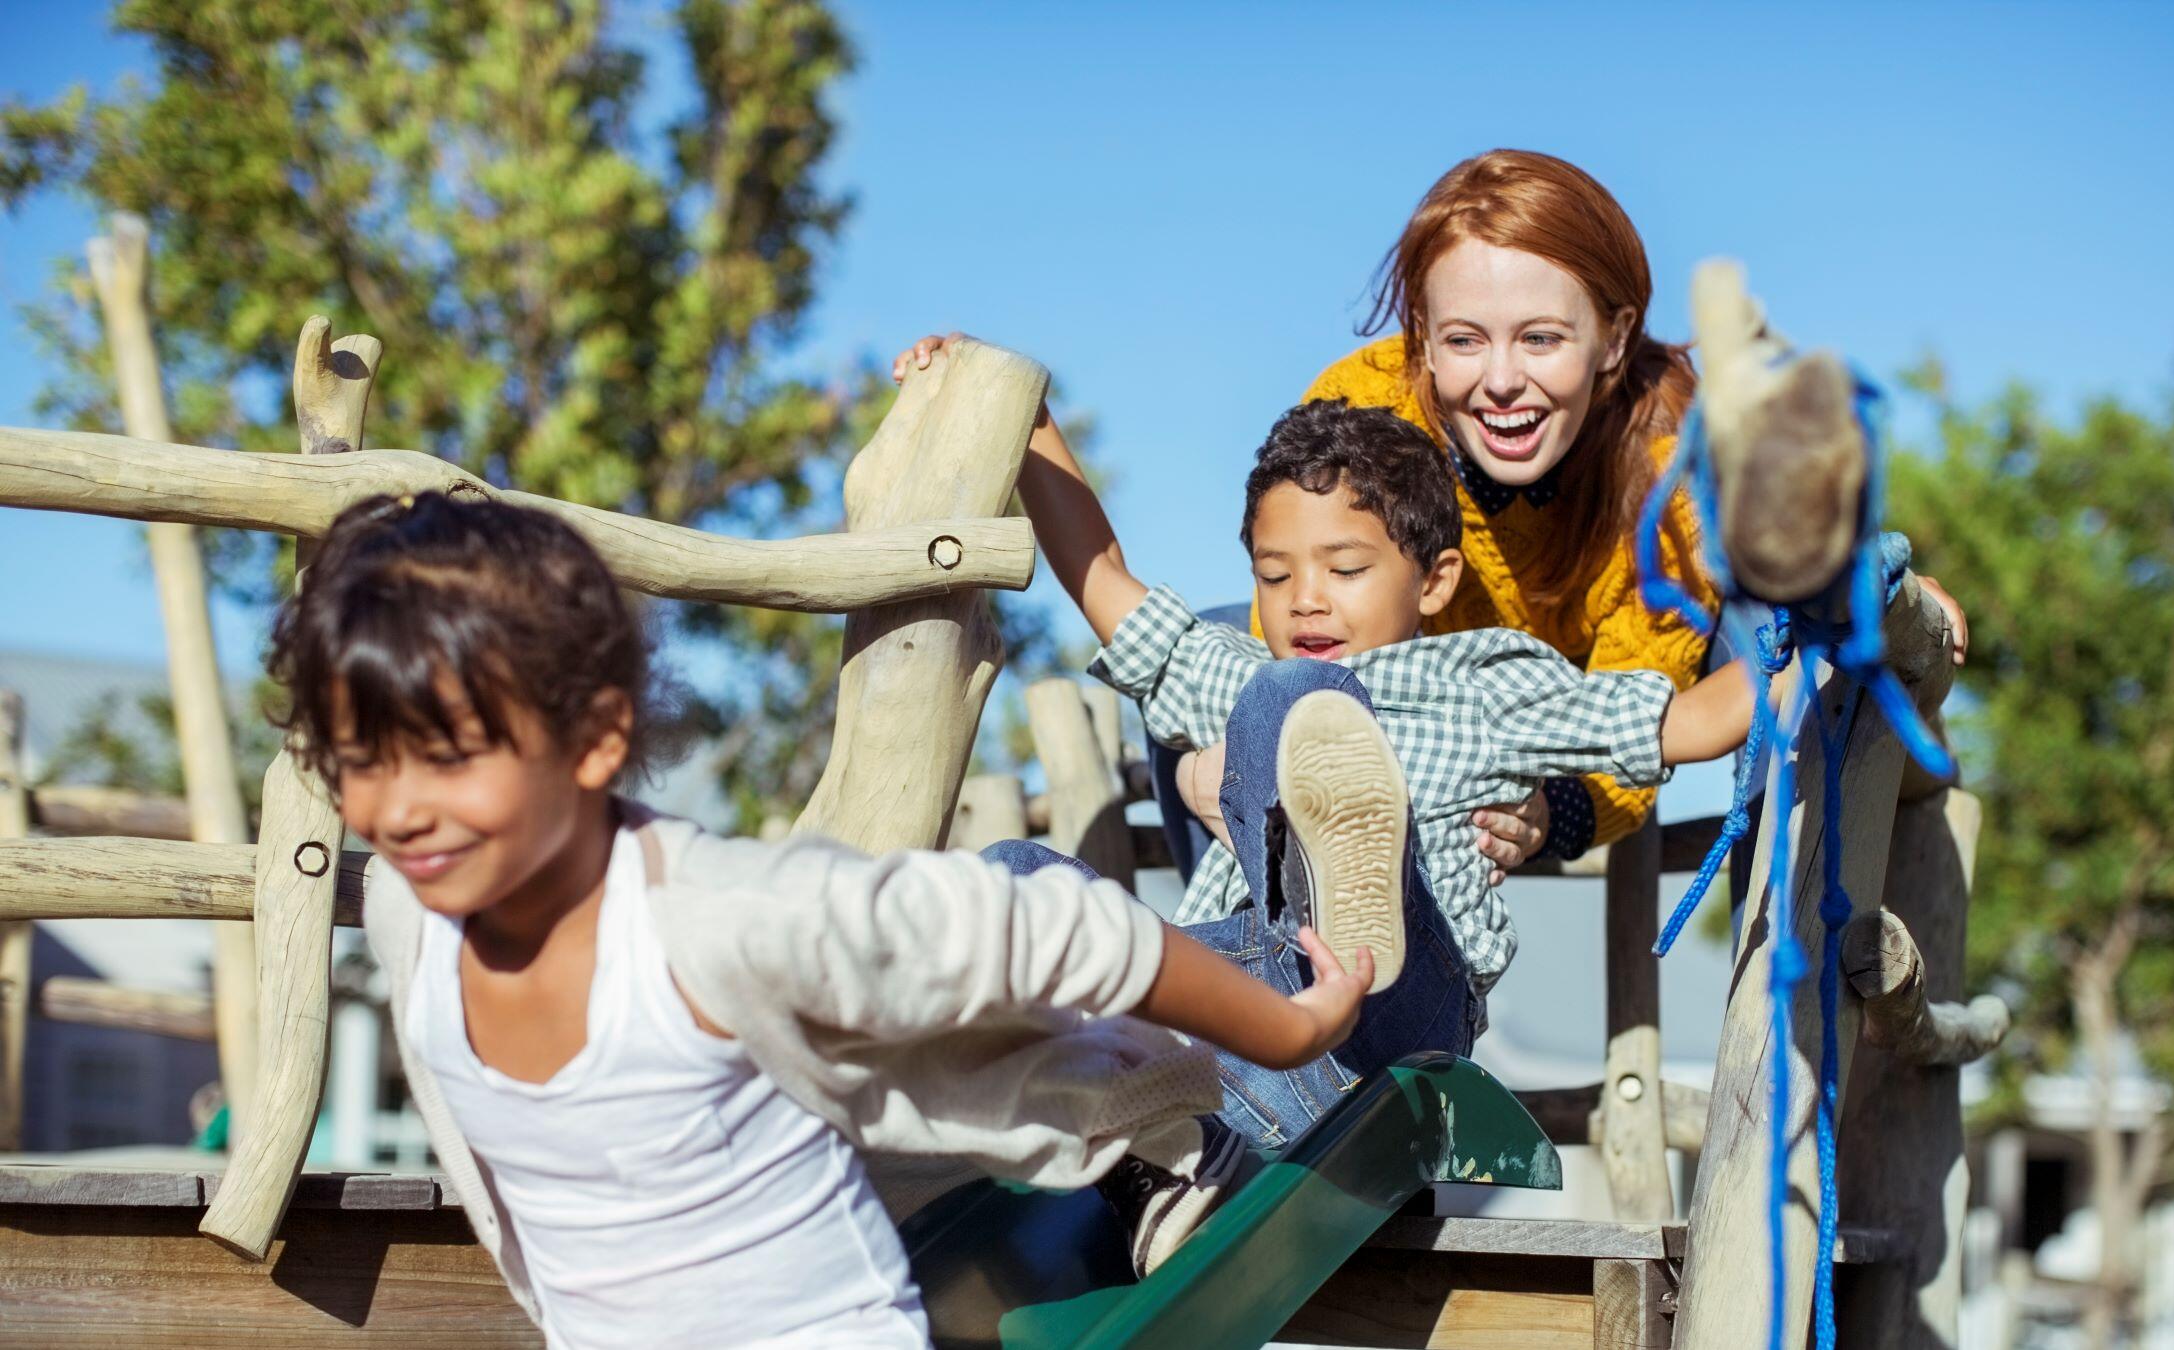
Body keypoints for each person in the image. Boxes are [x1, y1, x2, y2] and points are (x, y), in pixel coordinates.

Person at [281, 491, 1376, 1346]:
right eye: (359, 760)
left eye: (450, 757)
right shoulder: (412, 915)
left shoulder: (722, 921)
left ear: (595, 737)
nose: (401, 808)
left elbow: (1055, 930)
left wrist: (1290, 1031)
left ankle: (1202, 1120)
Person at [941, 382, 1784, 1149]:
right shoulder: (1237, 676)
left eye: (1345, 570)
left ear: (1434, 580)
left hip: (1393, 1027)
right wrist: (1030, 417)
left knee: (1298, 696)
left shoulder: (1485, 683)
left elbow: (1689, 721)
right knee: (1013, 875)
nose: (1307, 596)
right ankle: (1108, 1107)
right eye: (1275, 575)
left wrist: (1835, 637)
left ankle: (1347, 924)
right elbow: (1106, 585)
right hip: (1231, 1031)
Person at [1279, 149, 1970, 878]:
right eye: (1463, 340)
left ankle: (1784, 965)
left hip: (1598, 690)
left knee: (1780, 634)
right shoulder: (1362, 413)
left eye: (1541, 337)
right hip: (1414, 688)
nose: (1503, 379)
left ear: (1613, 337)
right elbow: (1296, 609)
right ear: (1422, 330)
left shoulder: (1667, 467)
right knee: (1221, 667)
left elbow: (1643, 705)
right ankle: (1265, 967)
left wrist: (1554, 810)